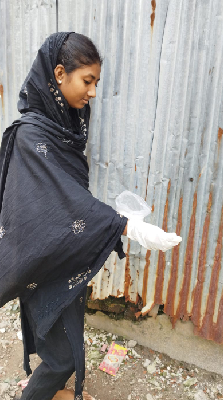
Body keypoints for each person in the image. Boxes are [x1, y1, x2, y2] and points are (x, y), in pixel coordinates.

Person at [0, 32, 181, 400]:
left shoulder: (66, 124)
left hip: (63, 252)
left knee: (61, 338)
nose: (93, 92)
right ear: (60, 73)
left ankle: (50, 389)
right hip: (41, 258)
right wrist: (124, 226)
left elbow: (67, 198)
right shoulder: (30, 135)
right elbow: (50, 205)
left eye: (96, 82)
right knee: (61, 356)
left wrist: (105, 220)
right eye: (88, 81)